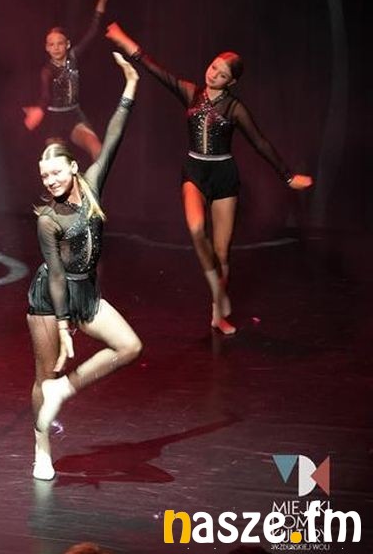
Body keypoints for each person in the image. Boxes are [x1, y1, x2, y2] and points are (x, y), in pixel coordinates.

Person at [106, 23, 313, 334]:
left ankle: (218, 313)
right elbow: (154, 67)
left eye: (222, 75)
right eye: (214, 67)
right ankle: (219, 294)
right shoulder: (191, 93)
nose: (214, 74)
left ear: (231, 82)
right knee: (195, 227)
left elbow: (260, 142)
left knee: (222, 251)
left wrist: (287, 177)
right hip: (195, 171)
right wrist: (124, 40)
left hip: (224, 175)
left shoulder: (234, 108)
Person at [28, 52, 143, 481]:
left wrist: (130, 87)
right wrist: (63, 328)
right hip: (50, 300)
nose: (51, 180)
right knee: (44, 376)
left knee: (129, 346)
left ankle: (66, 388)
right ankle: (41, 449)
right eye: (45, 176)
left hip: (86, 292)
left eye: (56, 172)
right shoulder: (48, 218)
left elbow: (112, 137)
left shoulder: (92, 187)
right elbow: (56, 275)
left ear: (73, 168)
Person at [23, 0, 109, 160]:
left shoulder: (74, 57)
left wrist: (101, 3)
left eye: (60, 43)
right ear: (46, 48)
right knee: (56, 162)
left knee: (98, 150)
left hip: (74, 114)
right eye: (51, 44)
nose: (56, 48)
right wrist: (39, 110)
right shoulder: (47, 71)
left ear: (67, 44)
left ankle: (94, 179)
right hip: (53, 120)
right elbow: (46, 96)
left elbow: (93, 32)